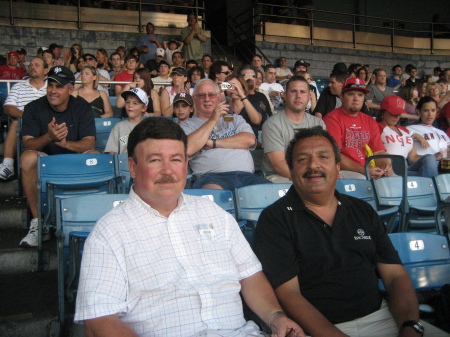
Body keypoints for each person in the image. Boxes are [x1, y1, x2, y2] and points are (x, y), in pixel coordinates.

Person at [75, 117, 304, 337]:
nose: (168, 170)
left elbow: (250, 276)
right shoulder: (109, 232)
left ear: (186, 164)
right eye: (155, 160)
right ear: (133, 167)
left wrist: (276, 317)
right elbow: (99, 320)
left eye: (175, 159)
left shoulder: (214, 213)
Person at [253, 126, 446, 337]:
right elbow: (289, 295)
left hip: (381, 318)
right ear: (291, 171)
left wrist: (410, 325)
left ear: (337, 168)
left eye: (323, 157)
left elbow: (395, 276)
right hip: (315, 329)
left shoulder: (361, 210)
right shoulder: (275, 219)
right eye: (302, 160)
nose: (313, 165)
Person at [19, 66, 96, 247]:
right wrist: (49, 137)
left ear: (70, 89)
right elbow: (28, 144)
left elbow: (89, 143)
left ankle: (89, 221)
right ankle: (38, 223)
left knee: (95, 156)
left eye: (59, 87)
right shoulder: (33, 107)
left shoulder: (82, 107)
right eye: (50, 85)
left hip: (74, 158)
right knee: (27, 158)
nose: (53, 91)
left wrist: (65, 143)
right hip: (46, 159)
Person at [180, 79, 271, 190]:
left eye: (211, 95)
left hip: (247, 176)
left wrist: (212, 143)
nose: (207, 99)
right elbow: (188, 148)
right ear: (194, 99)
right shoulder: (187, 125)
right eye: (201, 95)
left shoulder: (236, 119)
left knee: (270, 193)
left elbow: (249, 140)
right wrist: (212, 120)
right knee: (214, 194)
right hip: (211, 178)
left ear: (219, 97)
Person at [323, 77, 392, 179]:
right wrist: (364, 170)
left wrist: (385, 165)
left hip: (368, 168)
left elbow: (379, 151)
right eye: (351, 94)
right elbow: (335, 156)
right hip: (344, 170)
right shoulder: (332, 119)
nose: (356, 98)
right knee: (361, 179)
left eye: (360, 95)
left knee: (395, 177)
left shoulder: (369, 120)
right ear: (341, 97)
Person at [262, 76, 325, 183]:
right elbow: (279, 165)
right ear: (285, 95)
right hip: (281, 177)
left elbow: (322, 157)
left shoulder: (318, 123)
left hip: (312, 174)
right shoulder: (272, 124)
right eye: (293, 91)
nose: (298, 96)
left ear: (309, 96)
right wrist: (306, 179)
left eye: (302, 92)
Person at [0, 57, 48, 181]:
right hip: (24, 122)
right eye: (31, 65)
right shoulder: (18, 87)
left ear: (46, 70)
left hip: (47, 124)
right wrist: (29, 117)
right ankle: (8, 165)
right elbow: (9, 108)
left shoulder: (51, 88)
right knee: (15, 123)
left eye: (37, 65)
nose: (32, 67)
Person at [377, 95, 438, 177]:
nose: (397, 117)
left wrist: (435, 159)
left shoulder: (404, 130)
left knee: (430, 158)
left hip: (405, 169)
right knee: (424, 175)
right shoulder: (377, 127)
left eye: (399, 114)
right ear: (383, 112)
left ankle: (430, 186)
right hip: (389, 169)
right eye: (393, 113)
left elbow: (413, 157)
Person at [104, 88, 147, 155]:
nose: (130, 105)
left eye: (135, 103)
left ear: (144, 108)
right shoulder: (119, 126)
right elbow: (111, 152)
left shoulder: (149, 126)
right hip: (124, 164)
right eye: (127, 102)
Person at [224, 73, 265, 140]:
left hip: (249, 144)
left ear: (243, 88)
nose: (233, 89)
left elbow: (256, 121)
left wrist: (242, 95)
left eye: (235, 86)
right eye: (229, 86)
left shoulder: (254, 105)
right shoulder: (225, 108)